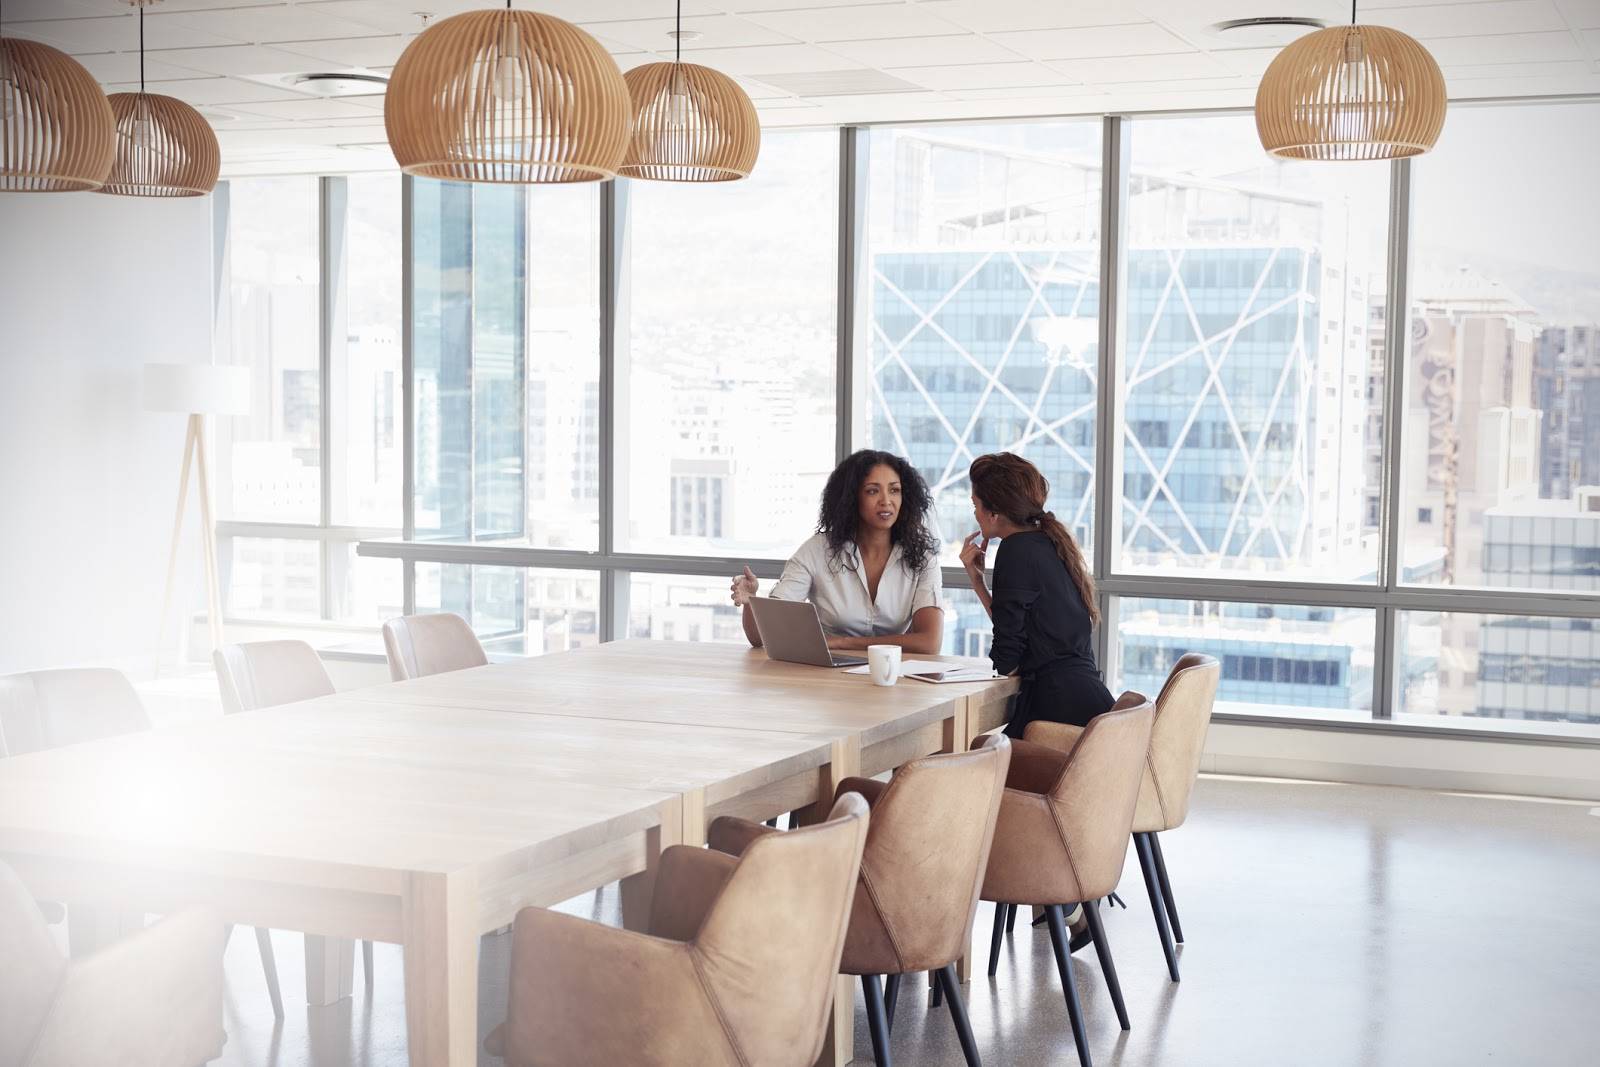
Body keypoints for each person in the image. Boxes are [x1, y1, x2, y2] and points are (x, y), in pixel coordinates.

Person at [959, 452, 1113, 738]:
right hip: (1087, 704)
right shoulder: (1048, 542)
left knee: (975, 762)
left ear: (993, 514)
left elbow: (1008, 661)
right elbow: (1022, 635)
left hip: (1055, 714)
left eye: (975, 505)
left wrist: (981, 585)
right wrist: (979, 583)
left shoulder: (1014, 550)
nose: (975, 514)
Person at [730, 450, 944, 655]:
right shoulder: (817, 550)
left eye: (894, 490)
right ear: (852, 498)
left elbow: (929, 642)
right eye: (872, 490)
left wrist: (844, 643)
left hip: (892, 677)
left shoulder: (922, 558)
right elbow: (762, 636)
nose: (886, 500)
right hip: (826, 677)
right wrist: (751, 601)